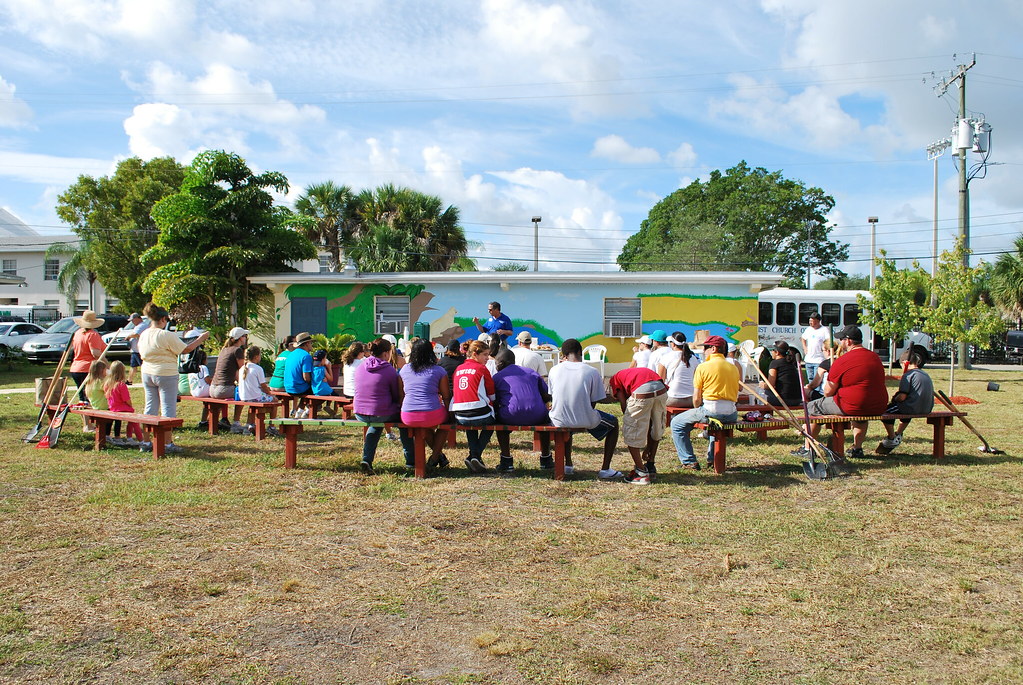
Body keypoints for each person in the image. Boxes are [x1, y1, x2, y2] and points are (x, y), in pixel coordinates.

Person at [800, 324, 887, 459]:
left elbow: (828, 392)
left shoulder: (842, 361)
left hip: (852, 405)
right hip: (877, 405)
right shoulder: (875, 357)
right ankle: (857, 448)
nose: (840, 342)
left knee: (812, 406)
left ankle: (807, 448)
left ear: (848, 341)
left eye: (842, 340)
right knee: (860, 415)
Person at [138, 302, 209, 454]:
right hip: (165, 373)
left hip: (147, 372)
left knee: (149, 407)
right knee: (168, 407)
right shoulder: (165, 335)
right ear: (163, 319)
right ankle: (167, 443)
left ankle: (145, 442)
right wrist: (201, 338)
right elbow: (186, 349)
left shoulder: (144, 334)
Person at [548, 338, 621, 480]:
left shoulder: (554, 370)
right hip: (584, 418)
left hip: (558, 419)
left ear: (564, 355)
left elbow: (554, 395)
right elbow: (596, 400)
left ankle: (568, 465)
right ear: (580, 352)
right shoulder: (592, 371)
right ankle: (605, 469)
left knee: (568, 423)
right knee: (614, 424)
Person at [670, 336, 740, 471]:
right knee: (715, 425)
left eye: (706, 347)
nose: (704, 351)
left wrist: (697, 410)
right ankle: (712, 459)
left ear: (713, 349)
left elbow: (696, 398)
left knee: (676, 423)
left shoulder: (703, 367)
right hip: (732, 413)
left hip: (711, 409)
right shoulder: (733, 367)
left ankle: (689, 461)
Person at [353, 337, 413, 473]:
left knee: (375, 425)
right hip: (380, 412)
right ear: (386, 353)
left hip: (359, 412)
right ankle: (411, 460)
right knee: (403, 421)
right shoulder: (389, 370)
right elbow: (396, 395)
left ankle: (367, 459)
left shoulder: (361, 366)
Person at [492, 347, 553, 473]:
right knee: (546, 421)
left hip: (510, 415)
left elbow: (495, 400)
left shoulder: (497, 377)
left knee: (500, 425)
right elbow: (547, 395)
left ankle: (506, 460)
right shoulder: (531, 373)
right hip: (537, 415)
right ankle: (546, 459)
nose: (496, 366)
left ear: (501, 363)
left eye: (496, 363)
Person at [609, 365, 668, 485]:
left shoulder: (614, 380)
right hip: (660, 388)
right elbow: (650, 423)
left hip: (641, 391)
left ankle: (640, 472)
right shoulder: (630, 372)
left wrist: (629, 417)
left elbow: (624, 406)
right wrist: (648, 448)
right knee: (656, 427)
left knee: (631, 432)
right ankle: (650, 465)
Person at [398, 339, 452, 472]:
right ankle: (435, 457)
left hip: (407, 415)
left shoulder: (404, 369)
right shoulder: (439, 370)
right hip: (431, 413)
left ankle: (439, 456)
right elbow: (446, 396)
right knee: (446, 425)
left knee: (424, 426)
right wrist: (451, 414)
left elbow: (401, 395)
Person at [877, 345, 934, 454]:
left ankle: (892, 437)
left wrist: (895, 399)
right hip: (926, 408)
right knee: (904, 410)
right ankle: (899, 433)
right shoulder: (925, 374)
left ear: (904, 363)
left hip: (911, 407)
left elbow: (902, 397)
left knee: (885, 413)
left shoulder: (908, 375)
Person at [451, 340, 497, 472]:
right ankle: (475, 455)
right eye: (485, 354)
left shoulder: (458, 369)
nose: (487, 358)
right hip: (480, 412)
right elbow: (492, 394)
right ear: (475, 354)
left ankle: (473, 456)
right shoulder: (482, 369)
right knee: (491, 424)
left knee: (470, 424)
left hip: (459, 415)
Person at [69, 309, 106, 431]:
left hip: (76, 367)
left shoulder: (78, 333)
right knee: (90, 395)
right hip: (88, 368)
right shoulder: (92, 334)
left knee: (82, 397)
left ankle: (87, 424)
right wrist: (107, 364)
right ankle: (89, 424)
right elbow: (95, 353)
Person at [210, 326, 249, 433]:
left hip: (213, 388)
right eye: (245, 336)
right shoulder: (237, 351)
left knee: (240, 390)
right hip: (223, 389)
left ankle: (224, 420)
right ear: (240, 338)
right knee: (244, 393)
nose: (246, 338)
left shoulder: (224, 350)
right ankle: (236, 423)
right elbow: (242, 371)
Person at [105, 360, 143, 447]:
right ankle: (141, 439)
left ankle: (130, 438)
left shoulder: (107, 384)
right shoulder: (121, 385)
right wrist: (130, 405)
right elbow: (126, 399)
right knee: (135, 421)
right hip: (122, 408)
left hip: (113, 408)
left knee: (131, 420)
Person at [761, 341, 802, 407]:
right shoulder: (791, 363)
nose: (771, 352)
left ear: (777, 352)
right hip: (798, 400)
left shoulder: (774, 363)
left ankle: (766, 416)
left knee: (761, 392)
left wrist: (762, 385)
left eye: (772, 350)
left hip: (783, 400)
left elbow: (770, 386)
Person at [284, 332, 315, 418]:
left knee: (307, 389)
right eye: (311, 343)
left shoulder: (291, 354)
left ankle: (300, 411)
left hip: (288, 387)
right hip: (298, 388)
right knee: (317, 388)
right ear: (307, 343)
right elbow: (306, 377)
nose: (312, 345)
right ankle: (305, 411)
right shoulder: (306, 356)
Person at [664, 333, 699, 408]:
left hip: (673, 399)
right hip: (691, 399)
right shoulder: (693, 358)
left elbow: (660, 379)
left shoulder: (666, 357)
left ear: (673, 344)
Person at [800, 312, 831, 383]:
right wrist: (805, 347)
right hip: (808, 360)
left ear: (818, 321)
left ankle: (816, 393)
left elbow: (828, 341)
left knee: (817, 380)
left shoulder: (824, 330)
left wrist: (825, 349)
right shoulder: (808, 329)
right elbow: (803, 338)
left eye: (812, 320)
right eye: (809, 320)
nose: (810, 322)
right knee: (810, 379)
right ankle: (811, 393)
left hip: (819, 360)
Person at [82, 358, 109, 436]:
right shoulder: (100, 382)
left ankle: (105, 435)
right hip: (103, 407)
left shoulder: (90, 382)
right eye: (105, 369)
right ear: (101, 370)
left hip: (95, 406)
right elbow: (109, 392)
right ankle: (107, 435)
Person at [123, 312, 148, 385]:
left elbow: (136, 334)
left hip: (139, 351)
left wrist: (128, 337)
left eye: (133, 320)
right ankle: (129, 380)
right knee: (133, 366)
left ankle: (145, 381)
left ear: (138, 318)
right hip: (135, 350)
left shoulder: (143, 325)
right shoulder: (137, 326)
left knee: (143, 367)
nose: (132, 322)